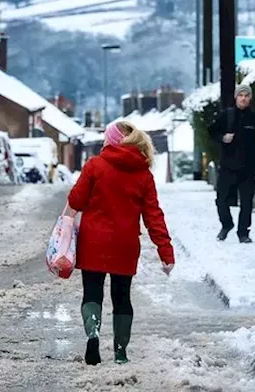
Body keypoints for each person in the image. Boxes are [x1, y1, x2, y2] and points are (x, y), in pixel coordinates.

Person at [66, 120, 175, 366]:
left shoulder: (95, 165)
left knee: (92, 293)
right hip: (125, 245)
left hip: (93, 240)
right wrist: (165, 252)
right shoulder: (143, 173)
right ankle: (120, 351)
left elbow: (76, 199)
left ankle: (93, 335)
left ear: (112, 140)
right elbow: (153, 216)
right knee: (122, 297)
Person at [207, 84, 255, 243]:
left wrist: (254, 161)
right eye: (240, 95)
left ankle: (243, 233)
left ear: (250, 98)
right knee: (221, 199)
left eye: (246, 96)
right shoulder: (226, 115)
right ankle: (226, 224)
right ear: (236, 97)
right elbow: (212, 131)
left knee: (246, 202)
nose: (243, 98)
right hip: (228, 167)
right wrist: (222, 138)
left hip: (247, 169)